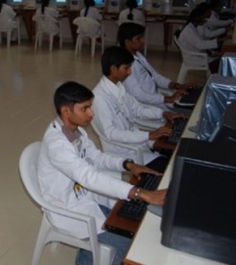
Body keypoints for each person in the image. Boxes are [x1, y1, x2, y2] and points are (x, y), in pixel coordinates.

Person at [38, 81, 166, 265]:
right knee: (128, 248)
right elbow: (89, 177)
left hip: (86, 198)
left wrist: (128, 165)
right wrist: (140, 192)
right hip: (68, 208)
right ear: (66, 111)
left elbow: (97, 157)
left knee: (130, 221)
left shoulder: (77, 131)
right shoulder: (56, 144)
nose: (92, 114)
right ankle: (88, 257)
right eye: (85, 109)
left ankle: (87, 256)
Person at [92, 47, 182, 165]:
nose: (129, 72)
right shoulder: (99, 98)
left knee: (178, 150)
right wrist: (149, 135)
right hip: (123, 151)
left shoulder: (119, 87)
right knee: (173, 166)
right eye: (126, 68)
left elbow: (137, 109)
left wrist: (163, 113)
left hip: (137, 140)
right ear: (113, 69)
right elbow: (111, 133)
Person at [119, 23, 189, 109]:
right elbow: (139, 95)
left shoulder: (138, 55)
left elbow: (155, 76)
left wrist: (176, 85)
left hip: (155, 99)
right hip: (146, 106)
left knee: (191, 104)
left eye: (142, 37)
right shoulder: (125, 65)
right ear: (127, 42)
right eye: (138, 38)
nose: (143, 41)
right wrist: (168, 99)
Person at [177, 3, 222, 73]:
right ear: (198, 17)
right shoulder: (189, 30)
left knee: (222, 60)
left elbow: (200, 43)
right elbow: (200, 45)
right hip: (195, 58)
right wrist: (217, 41)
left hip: (199, 55)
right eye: (205, 18)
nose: (206, 21)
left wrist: (213, 52)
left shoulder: (193, 27)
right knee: (223, 63)